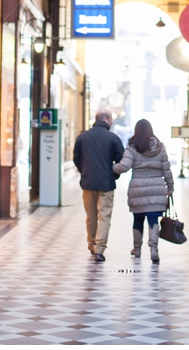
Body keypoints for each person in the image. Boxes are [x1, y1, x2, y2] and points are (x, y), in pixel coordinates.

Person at [112, 118, 173, 263]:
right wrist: (170, 187)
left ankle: (137, 249)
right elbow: (167, 170)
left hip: (137, 188)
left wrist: (110, 168)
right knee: (153, 219)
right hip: (157, 188)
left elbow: (123, 166)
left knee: (138, 219)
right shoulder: (160, 147)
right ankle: (154, 249)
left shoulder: (133, 147)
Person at [73, 108, 124, 262]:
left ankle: (92, 244)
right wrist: (113, 174)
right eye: (111, 120)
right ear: (106, 120)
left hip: (88, 183)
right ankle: (99, 249)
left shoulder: (82, 137)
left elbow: (77, 158)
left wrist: (85, 172)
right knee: (104, 216)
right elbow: (121, 160)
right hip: (106, 184)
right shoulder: (113, 138)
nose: (113, 122)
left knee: (91, 216)